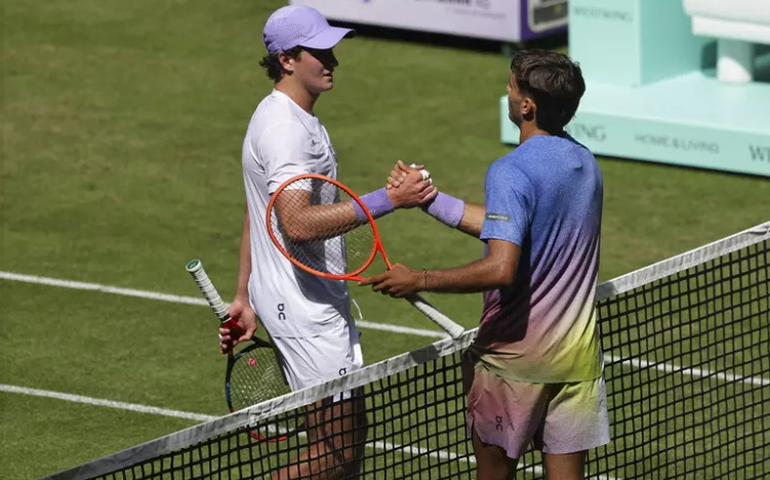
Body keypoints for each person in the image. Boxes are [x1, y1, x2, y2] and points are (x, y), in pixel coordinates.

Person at [363, 49, 610, 480]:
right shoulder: (584, 163)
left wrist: (418, 278)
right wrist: (430, 200)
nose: (509, 93)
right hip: (576, 361)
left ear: (527, 106)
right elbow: (514, 227)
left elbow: (501, 266)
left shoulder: (510, 171)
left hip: (511, 365)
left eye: (512, 87)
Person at [218, 6, 436, 480]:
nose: (332, 59)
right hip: (305, 310)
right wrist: (390, 199)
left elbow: (257, 213)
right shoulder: (286, 130)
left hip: (297, 300)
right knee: (333, 453)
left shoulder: (286, 117)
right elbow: (294, 222)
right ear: (287, 59)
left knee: (345, 444)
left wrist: (244, 294)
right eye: (319, 51)